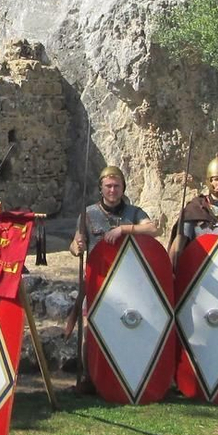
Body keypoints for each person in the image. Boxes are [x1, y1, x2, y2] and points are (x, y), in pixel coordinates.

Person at [68, 164, 158, 392]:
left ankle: (127, 375)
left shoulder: (134, 213)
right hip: (98, 280)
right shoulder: (88, 214)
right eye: (108, 186)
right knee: (91, 329)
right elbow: (76, 242)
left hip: (128, 283)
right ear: (101, 188)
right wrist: (76, 247)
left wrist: (124, 230)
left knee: (128, 327)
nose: (112, 190)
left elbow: (153, 229)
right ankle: (89, 378)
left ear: (123, 188)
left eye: (117, 186)